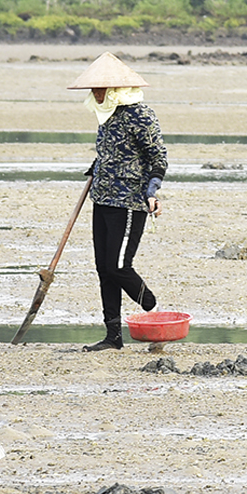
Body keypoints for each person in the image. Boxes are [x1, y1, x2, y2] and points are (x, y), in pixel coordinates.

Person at [69, 53, 168, 351]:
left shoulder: (141, 115)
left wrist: (153, 190)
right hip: (102, 199)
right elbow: (111, 153)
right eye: (94, 90)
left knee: (119, 266)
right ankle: (113, 336)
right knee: (103, 267)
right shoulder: (106, 115)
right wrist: (96, 168)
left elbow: (157, 157)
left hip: (129, 202)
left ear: (116, 89)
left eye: (101, 89)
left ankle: (151, 306)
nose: (96, 94)